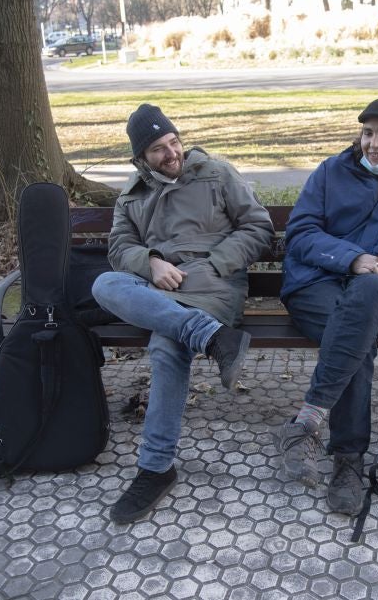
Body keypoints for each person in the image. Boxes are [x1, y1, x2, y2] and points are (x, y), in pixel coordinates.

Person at [92, 104, 274, 524]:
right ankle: (213, 339)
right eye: (158, 149)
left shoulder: (217, 173)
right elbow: (119, 250)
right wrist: (153, 261)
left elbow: (259, 227)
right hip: (159, 289)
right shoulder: (132, 195)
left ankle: (155, 468)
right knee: (103, 284)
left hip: (212, 284)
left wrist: (214, 263)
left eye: (174, 142)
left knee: (167, 346)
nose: (171, 153)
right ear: (141, 159)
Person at [274, 97, 378, 515]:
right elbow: (300, 233)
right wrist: (351, 258)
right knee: (357, 339)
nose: (373, 143)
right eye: (368, 133)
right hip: (316, 282)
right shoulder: (332, 171)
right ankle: (348, 459)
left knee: (365, 298)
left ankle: (308, 423)